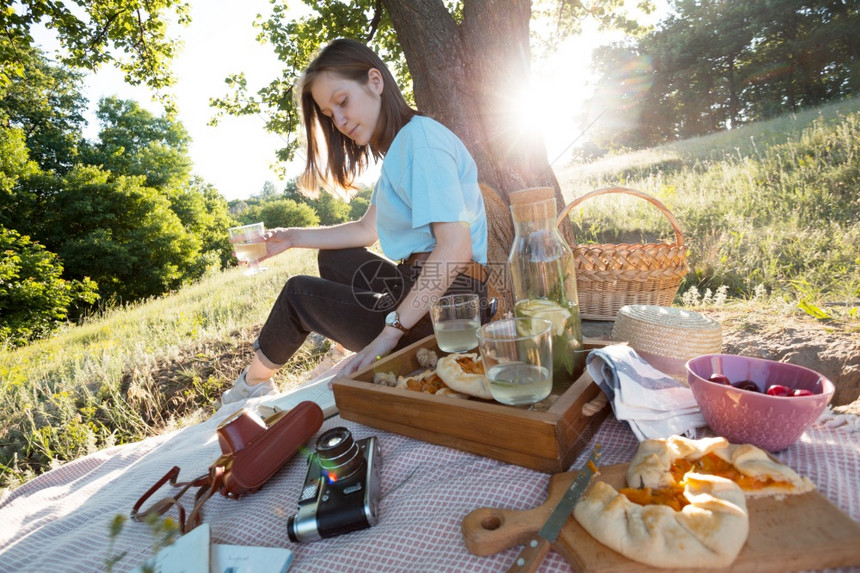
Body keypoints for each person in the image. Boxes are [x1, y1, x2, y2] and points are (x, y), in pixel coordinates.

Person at [222, 38, 492, 404]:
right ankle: (349, 340)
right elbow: (366, 230)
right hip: (420, 287)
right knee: (334, 258)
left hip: (448, 310)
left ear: (375, 82)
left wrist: (389, 333)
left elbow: (456, 248)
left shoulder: (421, 142)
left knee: (298, 294)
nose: (340, 120)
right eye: (330, 115)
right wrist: (289, 237)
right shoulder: (404, 145)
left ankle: (250, 386)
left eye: (342, 101)